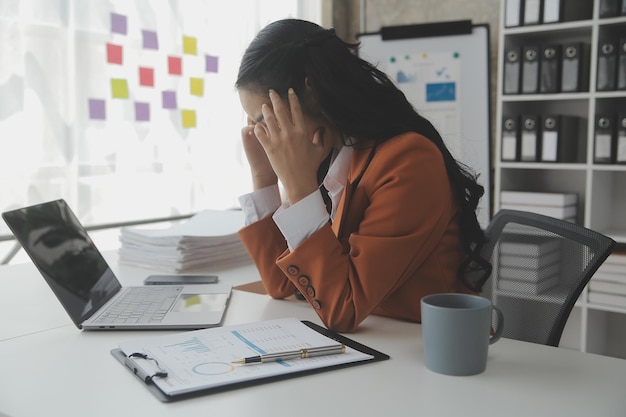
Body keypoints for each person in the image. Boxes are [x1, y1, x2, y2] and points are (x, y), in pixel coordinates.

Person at [235, 18, 490, 333]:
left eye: (266, 119)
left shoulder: (408, 161)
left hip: (426, 348)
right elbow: (282, 285)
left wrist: (298, 186)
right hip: (378, 343)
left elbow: (344, 309)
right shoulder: (332, 156)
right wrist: (264, 177)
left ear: (310, 93)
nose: (262, 134)